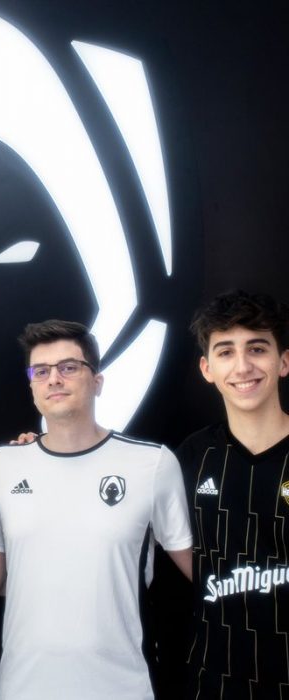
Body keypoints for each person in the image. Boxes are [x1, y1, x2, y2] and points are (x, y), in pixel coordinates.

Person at [0, 319, 193, 700]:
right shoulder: (2, 465)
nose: (54, 379)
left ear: (97, 381)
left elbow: (205, 573)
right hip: (24, 688)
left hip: (123, 689)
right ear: (31, 385)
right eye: (41, 371)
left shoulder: (152, 464)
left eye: (69, 367)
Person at [177, 290, 289, 698]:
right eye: (226, 352)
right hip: (216, 683)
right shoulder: (190, 458)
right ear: (207, 368)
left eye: (257, 348)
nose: (243, 366)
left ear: (283, 361)